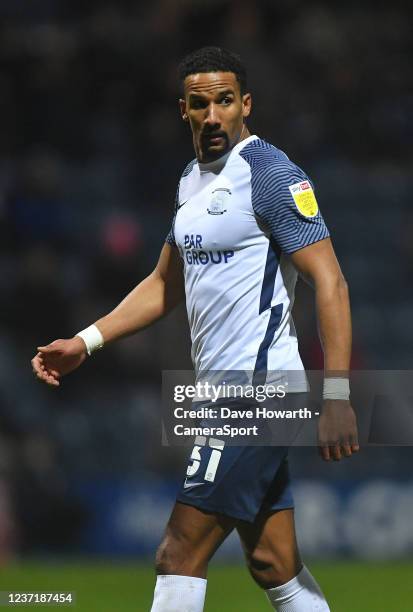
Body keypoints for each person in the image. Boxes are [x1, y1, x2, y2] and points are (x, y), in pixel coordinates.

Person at [32, 46, 359, 611]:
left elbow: (331, 282)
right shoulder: (191, 182)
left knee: (177, 552)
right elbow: (164, 284)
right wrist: (86, 341)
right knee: (273, 563)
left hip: (259, 395)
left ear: (245, 104)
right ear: (183, 110)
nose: (213, 115)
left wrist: (336, 394)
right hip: (221, 395)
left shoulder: (272, 175)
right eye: (200, 104)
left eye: (225, 101)